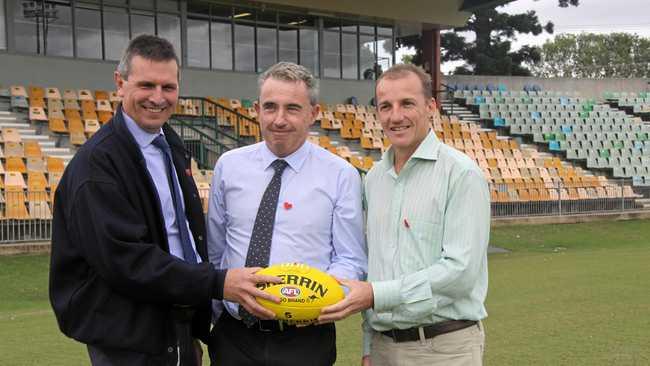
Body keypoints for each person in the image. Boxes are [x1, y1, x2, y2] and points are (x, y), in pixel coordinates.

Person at [49, 34, 280, 366]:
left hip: (176, 324)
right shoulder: (97, 166)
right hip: (130, 337)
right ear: (120, 83)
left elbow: (181, 232)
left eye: (168, 87)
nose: (158, 98)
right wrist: (216, 282)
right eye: (146, 85)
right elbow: (126, 262)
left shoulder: (170, 144)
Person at [318, 64, 490, 366]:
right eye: (386, 106)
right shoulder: (373, 180)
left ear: (430, 106)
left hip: (444, 349)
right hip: (385, 348)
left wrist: (376, 295)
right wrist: (370, 344)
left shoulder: (461, 174)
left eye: (407, 103)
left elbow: (461, 273)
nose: (395, 116)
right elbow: (376, 266)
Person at [206, 61, 367, 366]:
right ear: (256, 110)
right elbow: (215, 251)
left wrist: (317, 300)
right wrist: (216, 312)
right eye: (270, 107)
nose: (279, 120)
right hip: (233, 337)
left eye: (292, 108)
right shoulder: (229, 166)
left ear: (313, 113)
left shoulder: (341, 175)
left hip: (304, 340)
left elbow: (351, 258)